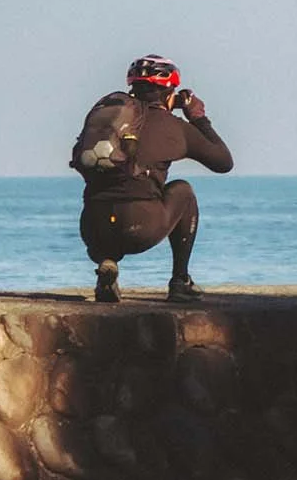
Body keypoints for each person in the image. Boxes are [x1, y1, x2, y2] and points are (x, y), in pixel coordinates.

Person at [73, 55, 234, 304]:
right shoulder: (175, 127)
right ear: (170, 92)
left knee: (110, 196)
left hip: (93, 229)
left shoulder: (111, 124)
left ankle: (107, 263)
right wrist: (198, 117)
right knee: (183, 191)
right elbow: (224, 162)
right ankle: (180, 282)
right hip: (139, 227)